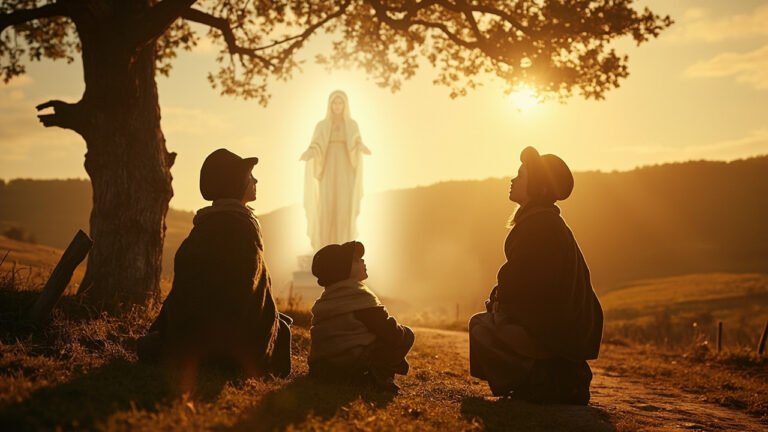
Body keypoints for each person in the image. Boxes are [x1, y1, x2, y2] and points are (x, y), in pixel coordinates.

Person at [138, 148, 292, 386]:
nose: (256, 180)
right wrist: (271, 320)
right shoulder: (243, 229)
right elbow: (247, 296)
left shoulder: (201, 229)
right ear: (236, 183)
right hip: (232, 348)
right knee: (282, 332)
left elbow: (185, 293)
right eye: (250, 176)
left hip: (194, 339)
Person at [469, 146, 603, 404]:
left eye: (521, 175)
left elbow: (521, 282)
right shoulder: (547, 223)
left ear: (538, 186)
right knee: (491, 320)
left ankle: (537, 381)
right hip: (563, 331)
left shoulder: (538, 226)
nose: (513, 180)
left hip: (553, 332)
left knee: (480, 326)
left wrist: (499, 304)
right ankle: (550, 376)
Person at [308, 241, 414, 392]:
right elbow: (386, 329)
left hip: (325, 365)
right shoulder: (358, 298)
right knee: (404, 335)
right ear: (343, 271)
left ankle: (367, 376)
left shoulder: (327, 300)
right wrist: (402, 337)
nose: (363, 261)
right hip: (352, 364)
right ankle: (378, 377)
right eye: (356, 260)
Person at [300, 90, 372, 251]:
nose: (338, 106)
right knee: (326, 206)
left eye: (340, 103)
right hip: (328, 169)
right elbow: (316, 144)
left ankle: (344, 246)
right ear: (330, 105)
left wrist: (361, 146)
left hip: (345, 169)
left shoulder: (352, 124)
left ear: (345, 105)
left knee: (344, 206)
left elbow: (355, 141)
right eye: (335, 103)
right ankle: (326, 247)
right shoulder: (322, 125)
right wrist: (309, 152)